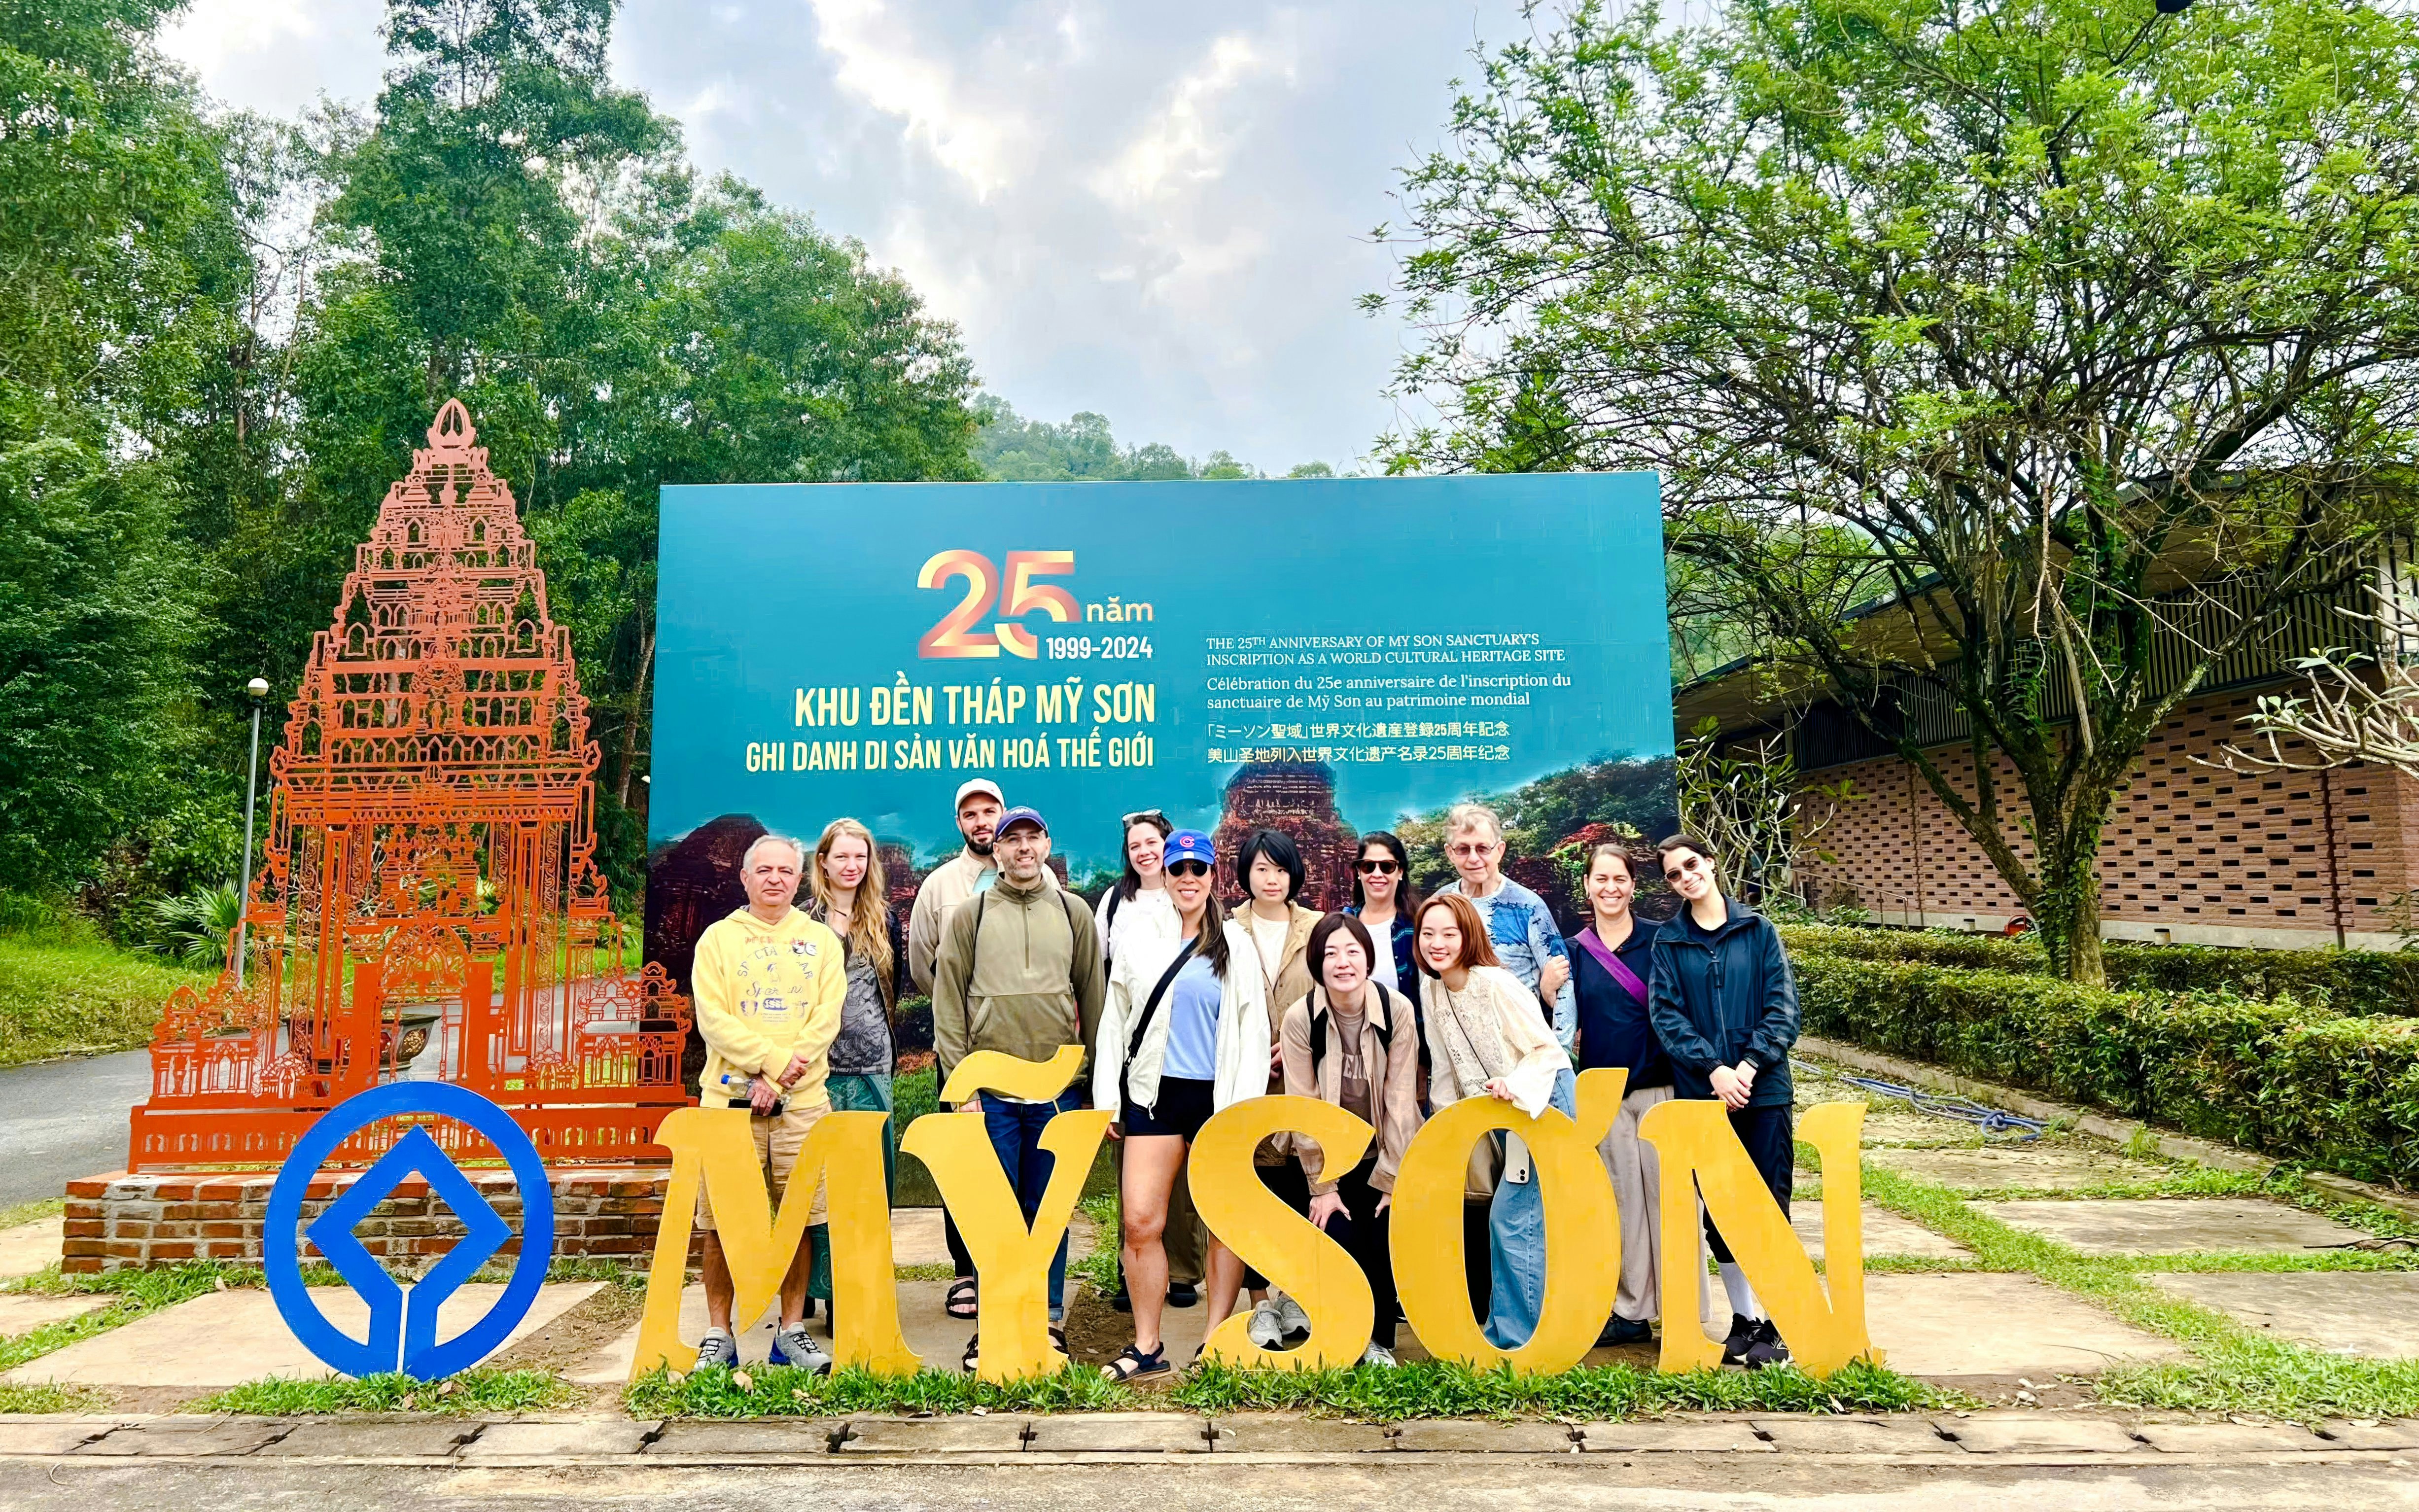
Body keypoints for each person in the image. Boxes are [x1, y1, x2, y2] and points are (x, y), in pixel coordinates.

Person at [930, 806, 1106, 1372]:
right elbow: (948, 1001)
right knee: (995, 1211)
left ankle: (1047, 1320)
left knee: (1046, 1210)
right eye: (1013, 839)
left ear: (1047, 843)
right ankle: (994, 1323)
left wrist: (1098, 1083)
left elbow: (1093, 996)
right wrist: (961, 1086)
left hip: (1059, 1091)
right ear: (998, 850)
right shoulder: (971, 913)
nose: (1023, 848)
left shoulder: (1074, 912)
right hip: (991, 1095)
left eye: (1033, 836)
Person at [1091, 829, 1270, 1380]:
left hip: (1216, 1096)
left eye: (1198, 869)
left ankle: (1215, 1340)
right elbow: (1114, 1020)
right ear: (1163, 876)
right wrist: (1106, 1100)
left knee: (1221, 1222)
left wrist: (1242, 1110)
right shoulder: (1141, 937)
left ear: (1214, 876)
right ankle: (1146, 1343)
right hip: (1152, 1093)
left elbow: (1252, 1028)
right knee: (1141, 1221)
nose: (1188, 879)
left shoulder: (1235, 942)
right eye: (1178, 870)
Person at [687, 833, 845, 1374]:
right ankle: (717, 1332)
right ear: (745, 877)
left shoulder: (821, 941)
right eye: (764, 870)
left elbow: (826, 1019)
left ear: (799, 879)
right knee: (719, 1220)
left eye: (785, 870)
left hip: (802, 1102)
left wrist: (778, 1079)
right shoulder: (718, 940)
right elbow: (713, 1020)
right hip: (729, 1100)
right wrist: (770, 1065)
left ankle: (792, 1330)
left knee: (798, 1217)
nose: (775, 878)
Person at [1648, 833, 1802, 1371]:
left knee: (1767, 1205)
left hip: (1763, 1094)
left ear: (1710, 863)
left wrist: (1747, 1066)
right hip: (1702, 1095)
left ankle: (1780, 1322)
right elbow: (1666, 1015)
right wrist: (1713, 1068)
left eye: (1691, 865)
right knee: (1718, 1210)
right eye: (1673, 874)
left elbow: (1782, 1008)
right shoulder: (1668, 943)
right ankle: (1744, 1319)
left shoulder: (1758, 930)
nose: (1686, 876)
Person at [1415, 890, 1574, 1350]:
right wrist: (1446, 1136)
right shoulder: (1432, 988)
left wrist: (1516, 1085)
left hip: (1541, 1101)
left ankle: (1514, 1339)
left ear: (1469, 936)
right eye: (1428, 934)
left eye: (1449, 933)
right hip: (1497, 1113)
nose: (1437, 943)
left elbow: (1547, 1051)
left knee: (1513, 1218)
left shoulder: (1496, 984)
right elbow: (1445, 1068)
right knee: (1506, 1218)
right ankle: (1512, 1327)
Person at [1278, 913, 1422, 1367]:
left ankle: (1378, 1340)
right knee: (1336, 1231)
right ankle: (1342, 1333)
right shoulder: (1301, 1018)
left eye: (1353, 952)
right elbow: (1305, 1108)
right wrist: (1323, 1188)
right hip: (1328, 1156)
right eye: (1331, 953)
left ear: (1368, 958)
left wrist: (1392, 1178)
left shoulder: (1396, 1010)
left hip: (1384, 1149)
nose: (1343, 963)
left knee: (1382, 1232)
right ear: (1317, 963)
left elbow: (1400, 1101)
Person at [1093, 809, 1206, 1314]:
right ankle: (1132, 1269)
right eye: (1135, 844)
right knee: (1135, 1176)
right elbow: (1102, 975)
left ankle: (1183, 1269)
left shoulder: (1199, 910)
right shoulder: (1115, 901)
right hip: (1135, 1056)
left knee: (1184, 1180)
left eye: (1152, 843)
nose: (1144, 851)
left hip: (1189, 1058)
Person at [908, 777, 1013, 1317]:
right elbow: (922, 962)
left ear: (1003, 812)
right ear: (958, 823)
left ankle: (1014, 1262)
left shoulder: (1025, 874)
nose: (981, 821)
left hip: (1020, 1045)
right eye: (969, 814)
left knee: (1019, 1155)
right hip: (961, 1045)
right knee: (964, 1156)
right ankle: (967, 1269)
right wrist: (960, 1008)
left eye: (989, 810)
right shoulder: (940, 886)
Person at [1570, 841, 1682, 1348]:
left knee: (1672, 1202)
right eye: (1601, 879)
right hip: (1605, 1098)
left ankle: (1681, 1308)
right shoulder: (1573, 953)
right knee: (1622, 1207)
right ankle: (1632, 1311)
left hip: (1661, 1089)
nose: (1610, 888)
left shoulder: (1663, 941)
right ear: (1587, 887)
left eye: (1619, 879)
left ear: (1633, 886)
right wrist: (1551, 991)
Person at [799, 817, 908, 1326]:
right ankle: (811, 1287)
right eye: (841, 856)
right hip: (818, 1074)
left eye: (860, 857)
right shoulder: (802, 924)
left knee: (868, 1185)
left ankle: (856, 1285)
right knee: (821, 1187)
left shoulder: (883, 920)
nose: (851, 865)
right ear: (823, 861)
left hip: (872, 1070)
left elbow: (894, 990)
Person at [1232, 827, 1321, 1349]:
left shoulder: (1317, 929)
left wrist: (1294, 1046)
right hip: (1246, 1084)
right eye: (1262, 868)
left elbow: (1333, 996)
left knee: (1301, 1188)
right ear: (1244, 873)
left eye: (1281, 869)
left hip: (1303, 1080)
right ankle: (1260, 1305)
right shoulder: (1225, 931)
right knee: (1253, 1195)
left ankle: (1295, 1295)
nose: (1271, 879)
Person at [1442, 803, 1576, 1049]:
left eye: (1483, 848)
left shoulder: (1527, 905)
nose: (1474, 858)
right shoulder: (1440, 906)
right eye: (1463, 849)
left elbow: (1564, 982)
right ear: (1450, 853)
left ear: (1500, 850)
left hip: (1525, 1048)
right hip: (1463, 1049)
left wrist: (1559, 1054)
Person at [1344, 832, 1421, 996]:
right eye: (1368, 866)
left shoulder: (1418, 926)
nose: (1377, 874)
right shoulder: (1342, 926)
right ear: (1359, 872)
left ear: (1400, 871)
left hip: (1408, 1022)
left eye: (1387, 866)